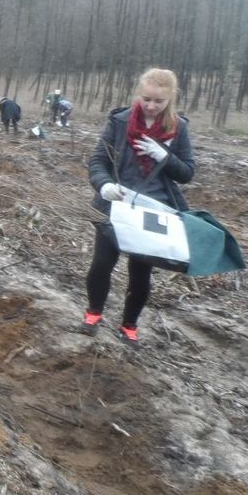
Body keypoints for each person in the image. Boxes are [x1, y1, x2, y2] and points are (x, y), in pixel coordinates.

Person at [82, 67, 195, 343]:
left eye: (159, 101)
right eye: (146, 99)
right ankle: (94, 312)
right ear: (139, 93)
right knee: (101, 264)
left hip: (152, 212)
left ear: (171, 99)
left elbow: (188, 172)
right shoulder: (119, 122)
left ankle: (129, 325)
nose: (151, 106)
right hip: (114, 205)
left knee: (141, 272)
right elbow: (98, 160)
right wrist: (104, 185)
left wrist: (164, 156)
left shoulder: (178, 129)